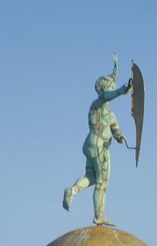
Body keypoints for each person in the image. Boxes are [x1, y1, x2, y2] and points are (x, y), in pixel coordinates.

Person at [63, 54, 132, 225]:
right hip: (99, 147)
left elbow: (116, 129)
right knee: (102, 183)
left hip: (90, 145)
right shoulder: (96, 105)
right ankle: (99, 216)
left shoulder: (109, 113)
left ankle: (72, 191)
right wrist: (123, 90)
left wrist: (120, 136)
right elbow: (107, 96)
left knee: (91, 177)